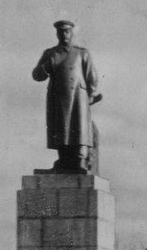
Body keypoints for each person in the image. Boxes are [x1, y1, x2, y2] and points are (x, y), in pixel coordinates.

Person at [32, 20, 98, 171]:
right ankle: (63, 160)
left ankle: (79, 161)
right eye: (61, 32)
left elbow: (91, 76)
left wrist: (91, 93)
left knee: (78, 126)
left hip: (77, 97)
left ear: (71, 33)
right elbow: (36, 75)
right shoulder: (50, 54)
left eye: (67, 32)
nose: (64, 35)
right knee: (61, 128)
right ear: (57, 34)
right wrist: (47, 65)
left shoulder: (81, 53)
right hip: (58, 97)